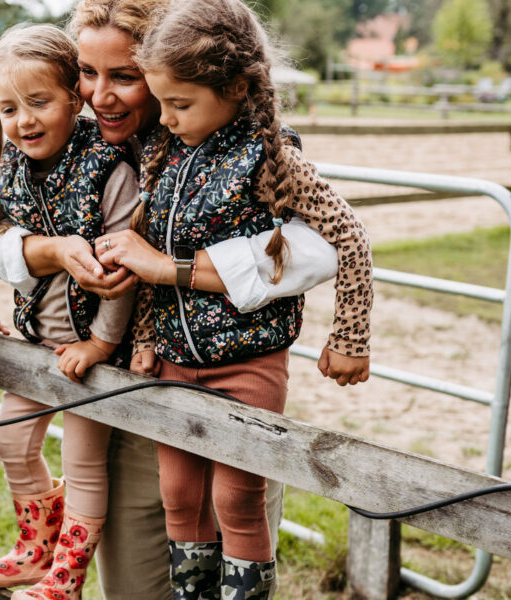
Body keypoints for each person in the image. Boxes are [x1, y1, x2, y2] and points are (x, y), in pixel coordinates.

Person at [0, 1, 342, 598]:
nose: (100, 95)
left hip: (215, 384)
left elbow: (318, 250)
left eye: (124, 76)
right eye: (88, 73)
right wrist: (52, 251)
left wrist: (172, 269)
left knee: (228, 561)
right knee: (136, 587)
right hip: (120, 396)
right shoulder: (78, 148)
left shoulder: (236, 146)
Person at [92, 0, 374, 597]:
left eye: (180, 104)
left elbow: (346, 234)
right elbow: (146, 256)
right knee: (180, 495)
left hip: (246, 361)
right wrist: (145, 339)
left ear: (238, 86)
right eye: (162, 103)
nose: (166, 118)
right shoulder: (165, 154)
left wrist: (350, 337)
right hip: (171, 362)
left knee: (237, 498)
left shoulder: (270, 157)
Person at [0, 23, 140, 600]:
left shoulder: (110, 171)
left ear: (73, 95)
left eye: (39, 103)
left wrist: (101, 346)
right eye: (9, 108)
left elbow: (122, 276)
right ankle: (36, 551)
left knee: (83, 461)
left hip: (91, 353)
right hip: (37, 343)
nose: (25, 121)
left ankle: (67, 578)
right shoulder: (8, 167)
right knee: (11, 443)